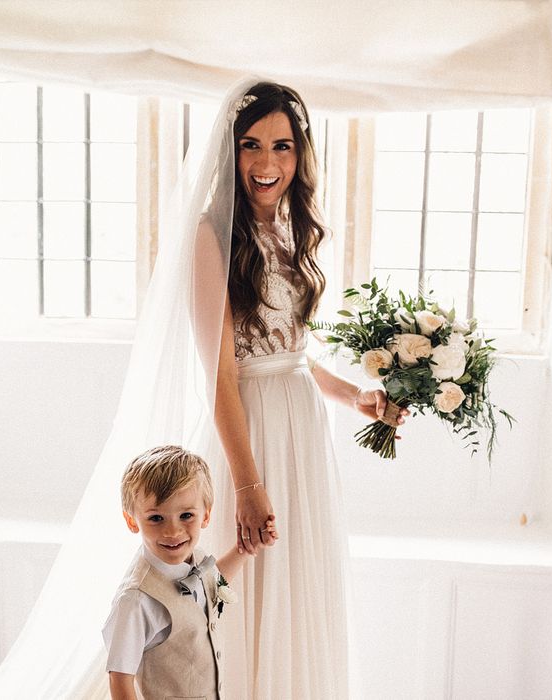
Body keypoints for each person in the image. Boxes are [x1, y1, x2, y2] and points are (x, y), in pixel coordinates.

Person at [197, 81, 408, 699]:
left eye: (282, 147)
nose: (267, 164)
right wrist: (247, 484)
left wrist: (356, 397)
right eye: (252, 145)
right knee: (252, 579)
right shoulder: (213, 238)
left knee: (298, 579)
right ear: (230, 152)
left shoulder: (295, 231)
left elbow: (288, 354)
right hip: (249, 433)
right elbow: (222, 373)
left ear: (301, 154)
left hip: (303, 432)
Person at [102, 445, 277, 700]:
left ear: (206, 515)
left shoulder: (196, 560)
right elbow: (120, 678)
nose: (173, 532)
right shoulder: (136, 600)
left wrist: (248, 547)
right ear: (132, 521)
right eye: (156, 518)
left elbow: (211, 581)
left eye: (186, 515)